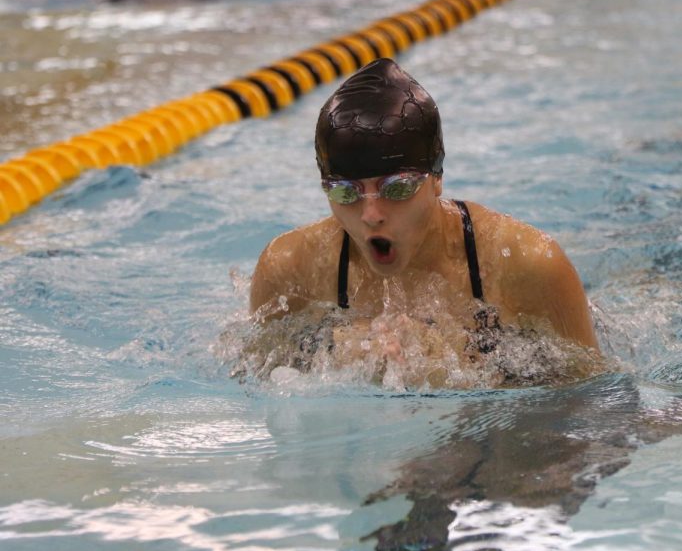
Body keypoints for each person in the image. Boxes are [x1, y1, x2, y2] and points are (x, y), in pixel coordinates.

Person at [248, 58, 601, 387]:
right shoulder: (290, 268)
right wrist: (332, 364)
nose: (371, 215)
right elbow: (252, 378)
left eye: (397, 188)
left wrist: (464, 377)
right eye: (345, 193)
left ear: (436, 178)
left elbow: (594, 402)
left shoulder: (528, 264)